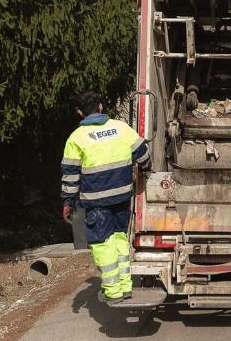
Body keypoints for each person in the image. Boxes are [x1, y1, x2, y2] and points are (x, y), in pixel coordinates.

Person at [60, 91, 151, 305]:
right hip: (121, 197)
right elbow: (143, 153)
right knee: (120, 239)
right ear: (100, 107)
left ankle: (113, 291)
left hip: (96, 202)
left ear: (80, 112)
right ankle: (126, 286)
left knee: (102, 243)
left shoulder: (76, 138)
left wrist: (67, 203)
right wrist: (146, 168)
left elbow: (71, 176)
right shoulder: (121, 128)